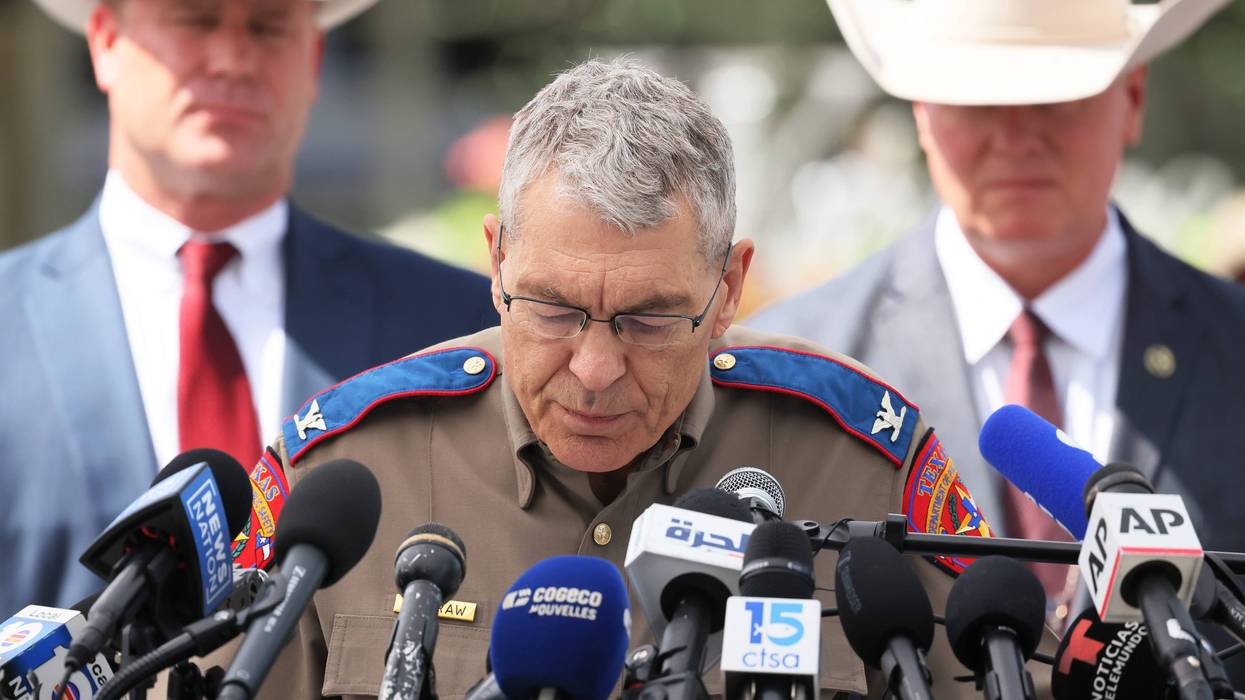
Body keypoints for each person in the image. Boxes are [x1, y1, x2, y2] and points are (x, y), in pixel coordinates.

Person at [225, 58, 1049, 699]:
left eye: (649, 320)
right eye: (550, 309)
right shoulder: (339, 471)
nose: (593, 369)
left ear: (728, 289)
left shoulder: (866, 462)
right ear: (496, 258)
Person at [750, 0, 1245, 626]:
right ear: (922, 112)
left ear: (1134, 98)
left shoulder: (1234, 343)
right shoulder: (801, 365)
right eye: (975, 97)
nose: (1016, 136)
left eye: (1057, 96)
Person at [0, 0, 497, 615]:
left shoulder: (456, 329)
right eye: (194, 19)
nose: (233, 60)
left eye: (268, 26)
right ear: (106, 40)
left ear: (313, 58)